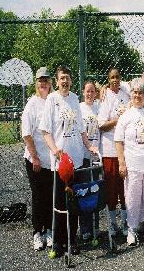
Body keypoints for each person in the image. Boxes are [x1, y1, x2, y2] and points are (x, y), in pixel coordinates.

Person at [39, 65, 94, 257]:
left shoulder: (74, 99)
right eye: (62, 78)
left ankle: (72, 240)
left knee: (73, 204)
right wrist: (55, 150)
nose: (65, 81)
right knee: (60, 204)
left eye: (68, 78)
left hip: (76, 161)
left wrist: (89, 146)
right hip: (60, 163)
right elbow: (46, 131)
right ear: (57, 81)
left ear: (71, 80)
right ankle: (58, 242)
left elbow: (81, 130)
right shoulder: (52, 100)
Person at [115, 79, 144, 246]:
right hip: (133, 165)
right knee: (132, 197)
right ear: (131, 94)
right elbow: (118, 141)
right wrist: (121, 163)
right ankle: (132, 229)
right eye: (134, 92)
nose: (137, 95)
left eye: (140, 92)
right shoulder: (126, 116)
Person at [22, 67, 53, 251]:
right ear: (36, 83)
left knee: (50, 196)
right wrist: (35, 158)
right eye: (40, 81)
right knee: (38, 197)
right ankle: (37, 232)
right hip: (35, 160)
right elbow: (26, 134)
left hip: (50, 161)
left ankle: (49, 230)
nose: (43, 84)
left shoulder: (52, 101)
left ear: (50, 83)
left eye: (46, 80)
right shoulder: (32, 104)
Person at [98, 67, 130, 236]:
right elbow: (101, 125)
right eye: (112, 78)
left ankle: (125, 223)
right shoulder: (105, 97)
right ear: (108, 80)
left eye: (117, 77)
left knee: (124, 187)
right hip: (110, 150)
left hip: (126, 150)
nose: (115, 80)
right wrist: (118, 120)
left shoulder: (126, 92)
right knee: (111, 189)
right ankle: (112, 224)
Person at [79, 81, 101, 241]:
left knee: (96, 191)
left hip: (97, 156)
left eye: (92, 91)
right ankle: (85, 227)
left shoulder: (99, 106)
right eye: (87, 91)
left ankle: (96, 226)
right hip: (84, 156)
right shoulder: (79, 108)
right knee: (84, 191)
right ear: (83, 92)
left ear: (96, 93)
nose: (89, 94)